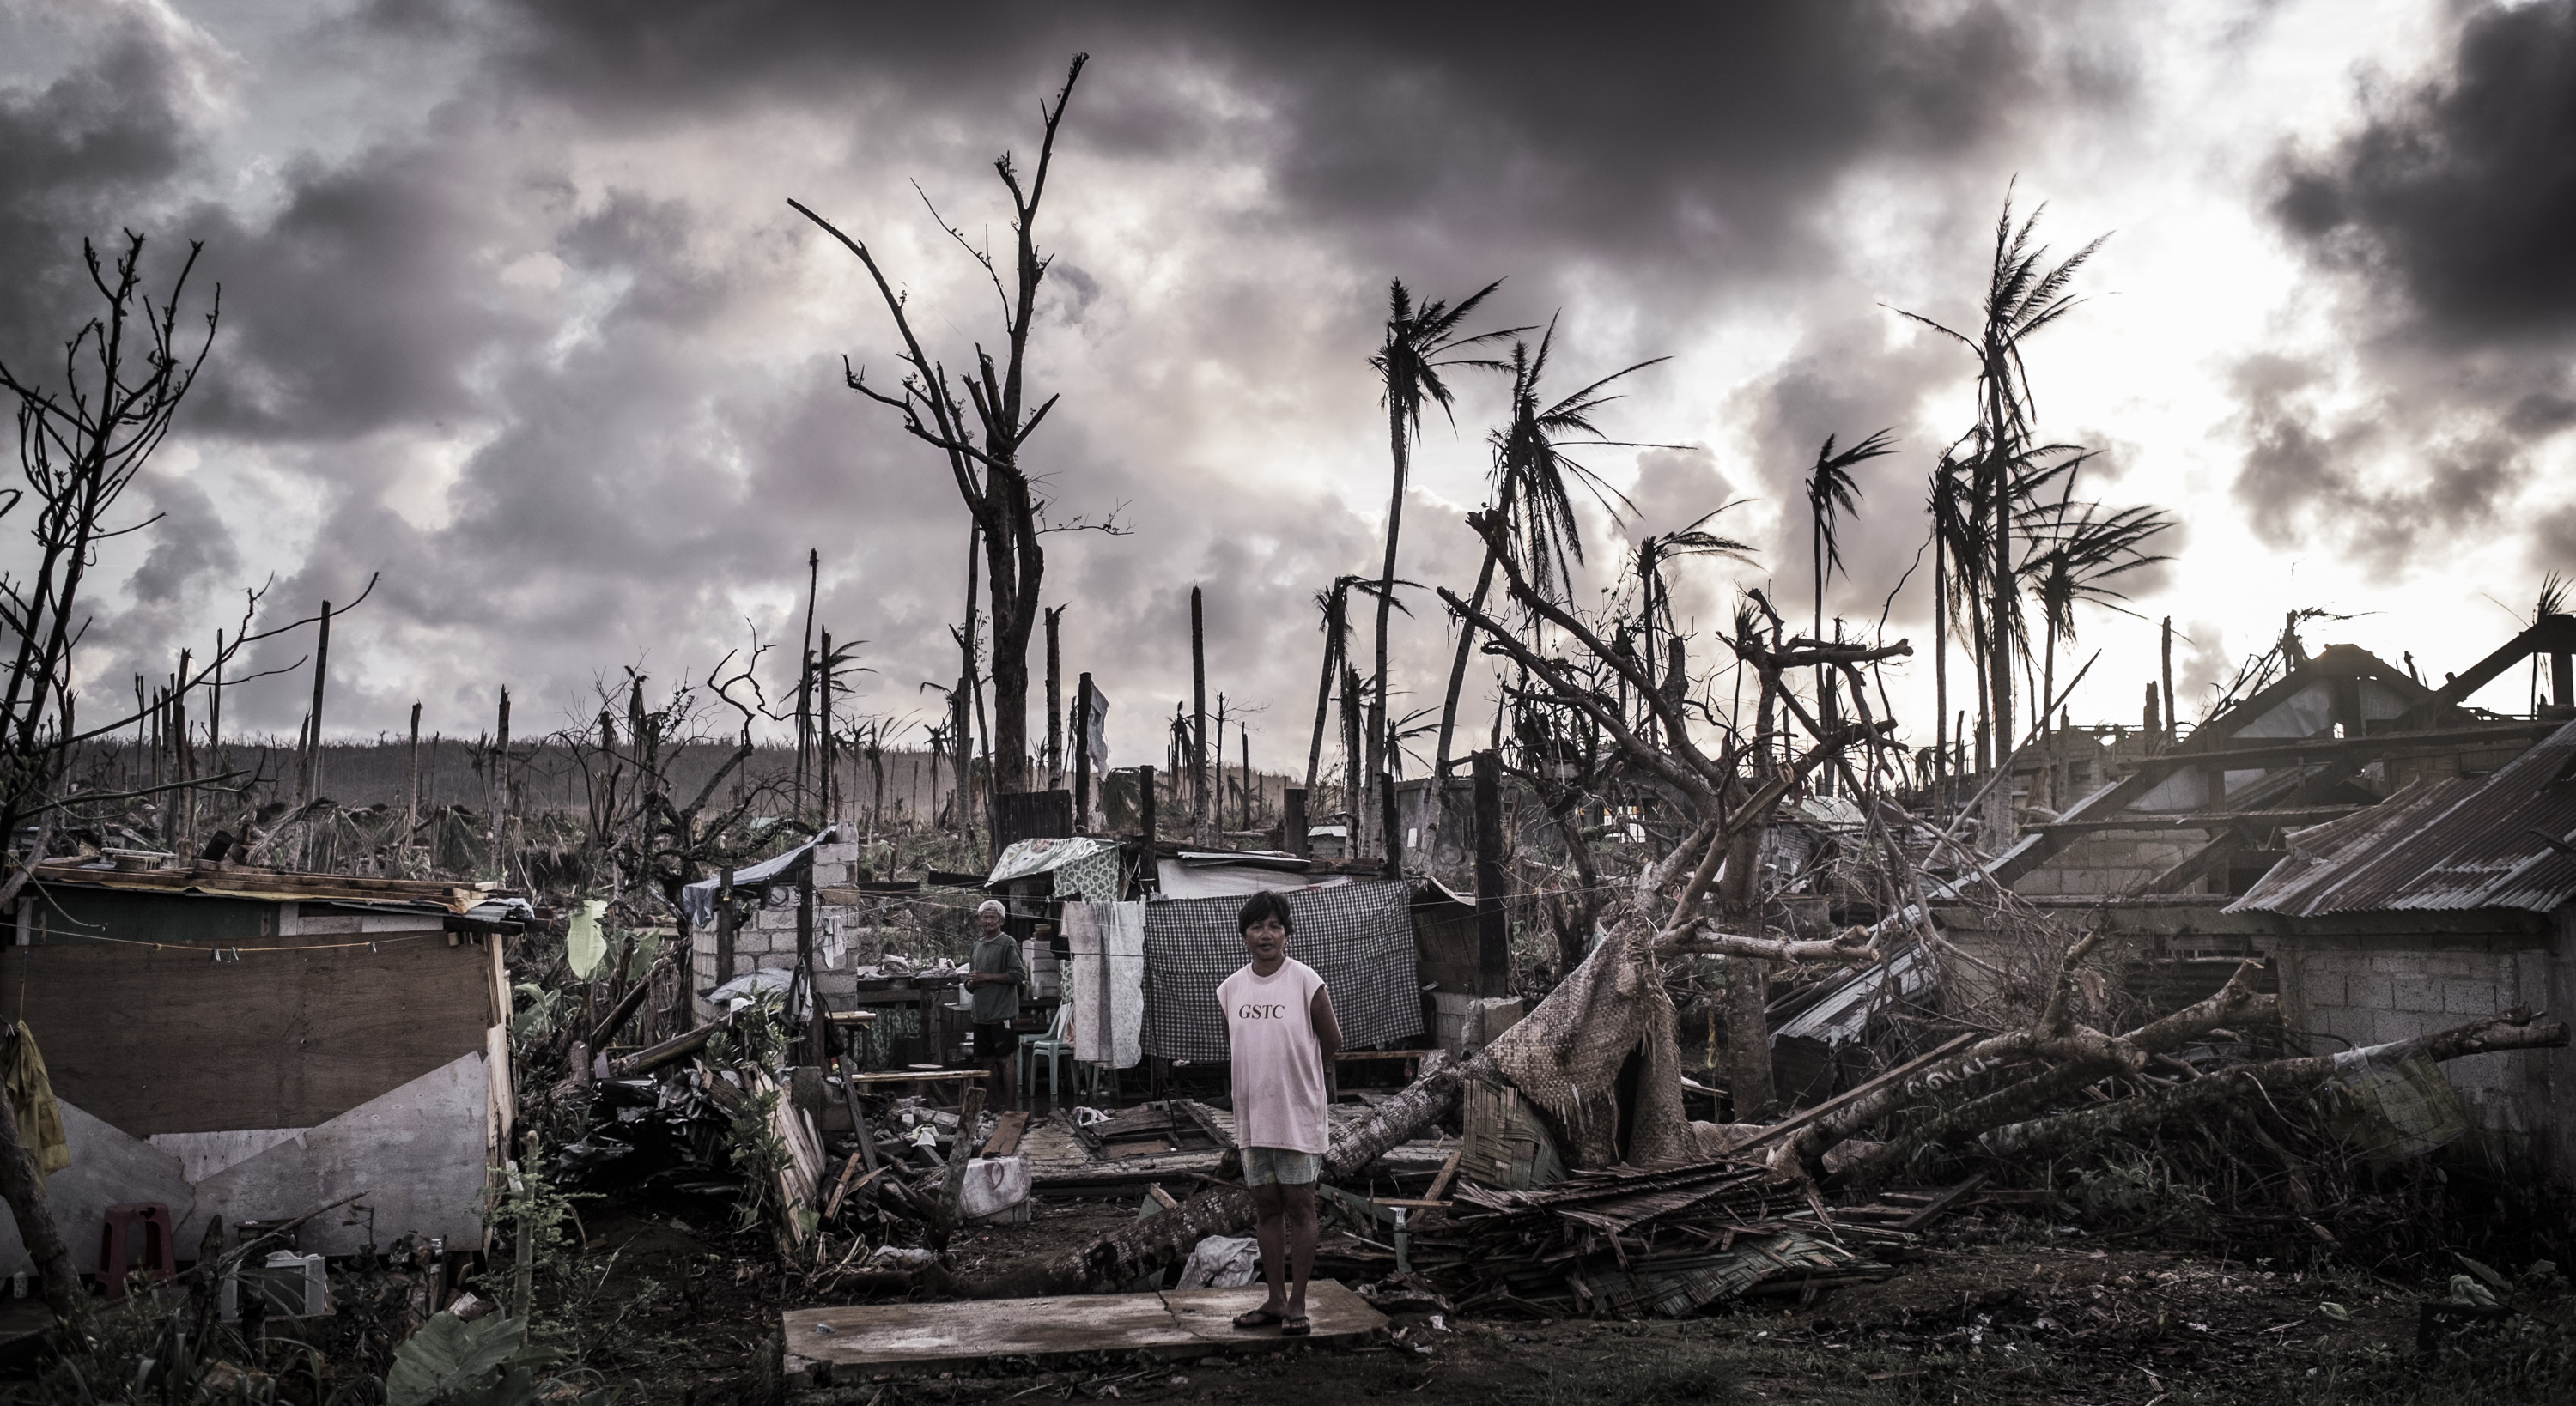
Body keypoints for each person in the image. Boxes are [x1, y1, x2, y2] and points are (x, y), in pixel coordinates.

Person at [1218, 889, 1340, 1336]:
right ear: (1244, 936)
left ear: (1286, 933)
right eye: (1256, 927)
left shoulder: (1306, 981)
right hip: (1253, 1119)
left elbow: (1332, 1041)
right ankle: (1274, 1300)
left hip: (1298, 1116)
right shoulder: (1231, 989)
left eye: (1273, 926)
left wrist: (1305, 1081)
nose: (1265, 935)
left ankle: (1298, 1304)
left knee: (1301, 1207)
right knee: (1266, 1208)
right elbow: (1239, 1047)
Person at [965, 899, 1028, 1107]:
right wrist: (972, 983)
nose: (989, 920)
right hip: (981, 1014)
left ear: (1001, 920)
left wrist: (987, 977)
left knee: (1005, 1059)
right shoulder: (977, 945)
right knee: (987, 1061)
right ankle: (993, 1105)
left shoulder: (1008, 942)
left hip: (1002, 1014)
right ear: (980, 921)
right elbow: (970, 981)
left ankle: (1010, 1109)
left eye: (993, 917)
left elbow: (1018, 975)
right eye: (985, 917)